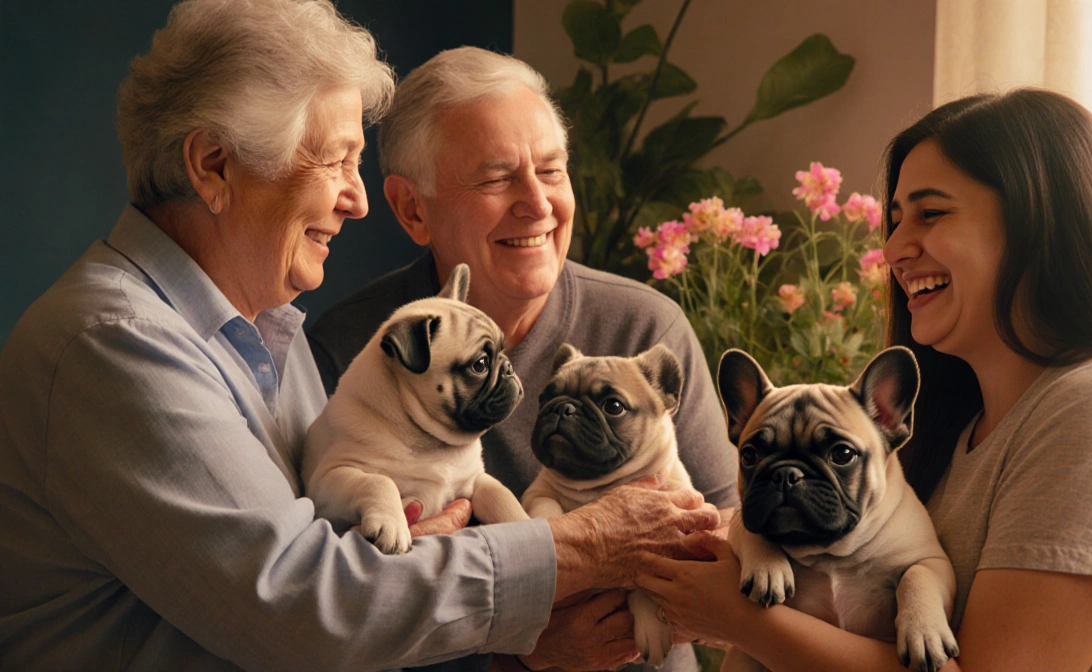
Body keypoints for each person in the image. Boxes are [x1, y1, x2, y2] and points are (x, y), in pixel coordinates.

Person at [0, 2, 719, 669]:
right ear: (213, 167)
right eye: (336, 160)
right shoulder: (116, 345)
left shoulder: (259, 339)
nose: (357, 197)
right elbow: (305, 602)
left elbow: (362, 570)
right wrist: (584, 548)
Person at [634, 88, 1092, 671]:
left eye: (930, 214)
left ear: (1037, 224)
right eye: (896, 220)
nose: (896, 248)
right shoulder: (963, 425)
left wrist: (742, 619)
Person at [304, 46, 739, 672]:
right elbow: (335, 614)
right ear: (411, 209)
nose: (537, 204)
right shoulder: (348, 356)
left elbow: (729, 555)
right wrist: (515, 655)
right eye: (495, 177)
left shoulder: (644, 328)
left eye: (552, 170)